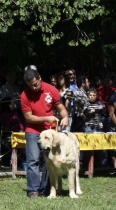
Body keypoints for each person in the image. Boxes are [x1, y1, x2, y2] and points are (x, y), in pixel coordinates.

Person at [20, 69, 69, 198]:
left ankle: (47, 189)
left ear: (40, 78)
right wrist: (47, 118)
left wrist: (65, 118)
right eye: (30, 85)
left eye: (35, 84)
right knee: (33, 160)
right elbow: (29, 118)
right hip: (33, 131)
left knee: (50, 161)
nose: (33, 87)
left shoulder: (51, 89)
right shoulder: (25, 95)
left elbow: (62, 109)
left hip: (50, 131)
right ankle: (33, 190)